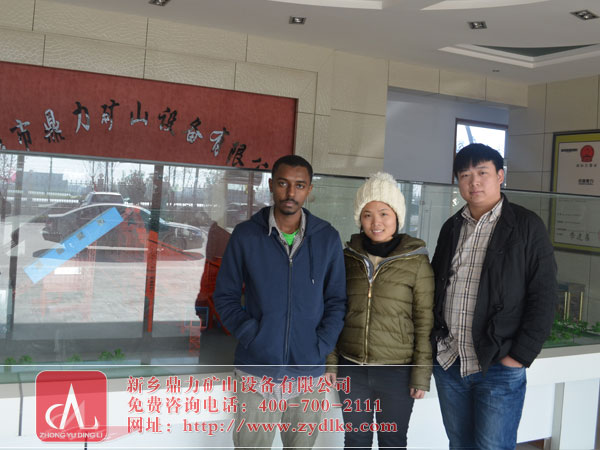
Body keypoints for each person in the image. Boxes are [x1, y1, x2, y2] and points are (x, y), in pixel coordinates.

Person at [213, 154, 347, 449]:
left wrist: (320, 345)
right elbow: (225, 296)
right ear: (272, 185)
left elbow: (336, 300)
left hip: (308, 374)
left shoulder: (327, 238)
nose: (291, 192)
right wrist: (252, 335)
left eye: (299, 185)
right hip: (256, 372)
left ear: (309, 189)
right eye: (284, 184)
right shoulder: (246, 235)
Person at [431, 144, 558, 450]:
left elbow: (544, 295)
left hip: (499, 365)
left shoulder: (526, 226)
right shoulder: (452, 227)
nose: (474, 182)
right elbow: (436, 286)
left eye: (482, 172)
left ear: (500, 176)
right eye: (465, 175)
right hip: (450, 361)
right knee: (459, 444)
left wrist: (519, 356)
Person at [325, 172, 434, 449]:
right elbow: (333, 311)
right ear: (359, 220)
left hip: (397, 371)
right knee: (356, 440)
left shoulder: (416, 261)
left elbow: (424, 322)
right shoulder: (347, 258)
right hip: (352, 368)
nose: (376, 222)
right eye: (368, 215)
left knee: (392, 441)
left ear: (397, 216)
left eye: (384, 213)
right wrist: (331, 361)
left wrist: (421, 373)